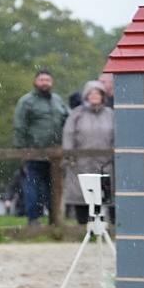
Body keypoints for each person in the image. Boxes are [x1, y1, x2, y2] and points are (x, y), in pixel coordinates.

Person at [13, 68, 69, 226]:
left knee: (52, 188)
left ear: (52, 82)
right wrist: (22, 149)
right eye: (42, 79)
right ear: (35, 81)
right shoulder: (26, 101)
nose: (45, 83)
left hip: (55, 154)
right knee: (33, 186)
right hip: (34, 152)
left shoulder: (57, 100)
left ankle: (55, 220)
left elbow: (67, 118)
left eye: (48, 80)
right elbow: (19, 126)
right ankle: (33, 219)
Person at [62, 80, 114, 225]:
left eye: (97, 93)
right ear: (86, 96)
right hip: (81, 163)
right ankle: (82, 226)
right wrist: (69, 156)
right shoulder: (76, 114)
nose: (94, 96)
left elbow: (116, 135)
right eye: (91, 93)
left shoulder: (110, 114)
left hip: (106, 163)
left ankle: (105, 226)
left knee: (104, 194)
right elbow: (68, 135)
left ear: (103, 95)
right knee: (81, 195)